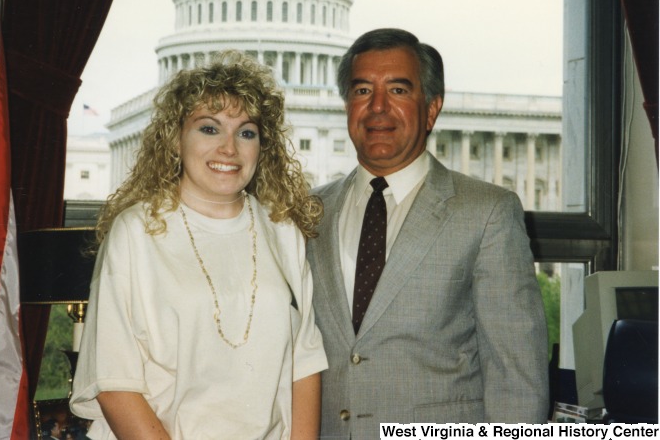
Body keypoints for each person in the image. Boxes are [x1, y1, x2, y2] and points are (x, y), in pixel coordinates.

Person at [70, 51, 327, 439]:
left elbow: (304, 365)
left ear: (263, 146)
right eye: (209, 129)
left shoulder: (282, 231)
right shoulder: (136, 231)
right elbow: (114, 383)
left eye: (246, 132)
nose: (229, 149)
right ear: (176, 138)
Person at [306, 28, 549, 436]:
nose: (378, 108)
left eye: (398, 90)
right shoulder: (309, 213)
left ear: (432, 109)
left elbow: (516, 375)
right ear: (347, 105)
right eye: (362, 90)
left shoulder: (487, 212)